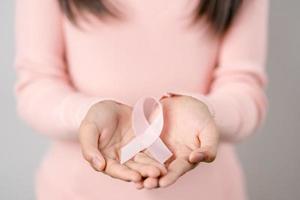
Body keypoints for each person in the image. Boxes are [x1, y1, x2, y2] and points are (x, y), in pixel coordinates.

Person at [14, 0, 269, 199]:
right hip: (74, 192)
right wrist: (86, 114)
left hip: (211, 193)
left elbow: (244, 88)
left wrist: (208, 113)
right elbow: (37, 84)